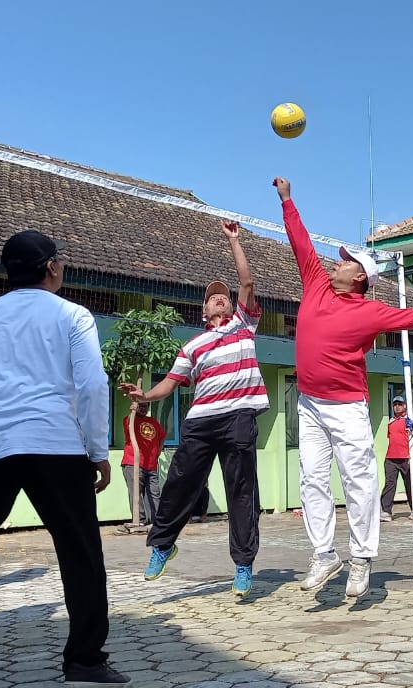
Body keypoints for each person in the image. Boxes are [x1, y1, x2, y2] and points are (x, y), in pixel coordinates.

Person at [0, 230, 128, 688]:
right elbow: (92, 386)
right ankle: (85, 663)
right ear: (51, 267)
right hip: (55, 442)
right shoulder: (73, 315)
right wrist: (96, 450)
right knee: (80, 554)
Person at [275, 176, 413, 599]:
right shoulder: (316, 284)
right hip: (310, 404)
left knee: (359, 483)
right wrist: (287, 200)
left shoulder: (371, 311)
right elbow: (299, 240)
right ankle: (323, 555)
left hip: (347, 406)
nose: (335, 262)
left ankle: (360, 559)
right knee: (311, 480)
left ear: (359, 277)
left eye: (345, 261)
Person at [120, 220, 267, 597]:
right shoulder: (193, 346)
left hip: (237, 417)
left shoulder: (243, 325)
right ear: (203, 310)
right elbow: (171, 383)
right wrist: (145, 396)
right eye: (212, 297)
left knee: (241, 490)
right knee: (179, 483)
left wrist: (234, 241)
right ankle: (164, 545)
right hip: (201, 421)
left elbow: (246, 282)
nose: (219, 298)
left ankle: (243, 564)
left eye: (224, 296)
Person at [121, 401, 163, 526]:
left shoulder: (153, 422)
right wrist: (132, 412)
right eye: (141, 406)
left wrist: (157, 452)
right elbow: (128, 423)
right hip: (132, 462)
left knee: (154, 493)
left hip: (151, 465)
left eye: (146, 406)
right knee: (136, 493)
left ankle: (157, 521)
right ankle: (140, 520)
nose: (143, 408)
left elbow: (162, 437)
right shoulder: (130, 419)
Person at [380, 395, 413, 522]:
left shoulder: (410, 419)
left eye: (400, 404)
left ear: (405, 406)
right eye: (395, 404)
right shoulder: (390, 422)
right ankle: (386, 511)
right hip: (391, 458)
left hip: (406, 458)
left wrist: (411, 455)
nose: (397, 406)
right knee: (389, 484)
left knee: (410, 484)